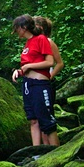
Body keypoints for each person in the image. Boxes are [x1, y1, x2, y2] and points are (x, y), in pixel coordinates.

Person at [11, 14, 60, 146]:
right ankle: (36, 154)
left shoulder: (41, 39)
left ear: (24, 27)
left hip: (40, 84)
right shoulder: (27, 44)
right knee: (33, 120)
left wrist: (29, 66)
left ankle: (58, 154)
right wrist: (19, 71)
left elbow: (49, 62)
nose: (16, 32)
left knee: (47, 121)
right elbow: (28, 65)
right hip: (28, 85)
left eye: (17, 28)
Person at [33, 15, 64, 145]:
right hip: (36, 84)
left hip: (46, 83)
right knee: (38, 118)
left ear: (39, 28)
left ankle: (53, 150)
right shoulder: (34, 42)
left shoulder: (48, 42)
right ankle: (44, 149)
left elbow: (59, 63)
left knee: (46, 117)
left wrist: (50, 77)